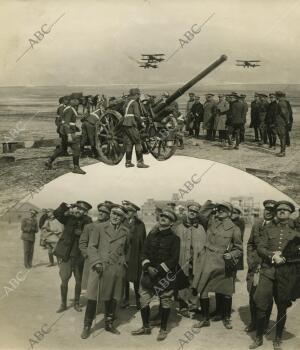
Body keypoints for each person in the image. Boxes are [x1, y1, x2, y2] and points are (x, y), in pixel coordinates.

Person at [250, 201, 299, 350]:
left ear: (291, 213)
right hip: (267, 271)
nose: (282, 211)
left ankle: (278, 339)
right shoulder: (268, 229)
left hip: (286, 274)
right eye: (279, 210)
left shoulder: (296, 233)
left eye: (286, 210)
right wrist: (272, 255)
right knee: (261, 304)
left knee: (282, 306)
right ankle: (258, 337)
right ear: (276, 212)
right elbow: (260, 247)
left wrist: (286, 257)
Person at [131, 209, 182, 341]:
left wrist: (158, 269)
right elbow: (143, 252)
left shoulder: (175, 239)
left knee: (165, 300)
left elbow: (174, 260)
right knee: (143, 298)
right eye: (162, 216)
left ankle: (163, 329)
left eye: (167, 217)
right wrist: (147, 266)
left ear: (171, 223)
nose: (163, 218)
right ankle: (146, 327)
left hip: (165, 276)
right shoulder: (151, 235)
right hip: (148, 274)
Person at [81, 205, 130, 338]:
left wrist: (124, 263)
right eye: (114, 213)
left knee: (112, 298)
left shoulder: (125, 231)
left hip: (116, 269)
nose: (115, 217)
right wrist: (96, 262)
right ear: (111, 214)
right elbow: (91, 247)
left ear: (123, 218)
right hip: (100, 268)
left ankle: (109, 324)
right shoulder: (99, 227)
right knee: (92, 297)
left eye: (119, 215)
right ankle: (87, 326)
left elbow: (126, 249)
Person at [192, 201, 242, 330]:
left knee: (225, 291)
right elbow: (201, 213)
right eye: (219, 209)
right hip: (207, 258)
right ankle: (205, 318)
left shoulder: (234, 229)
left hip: (222, 261)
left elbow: (239, 249)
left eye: (224, 209)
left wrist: (231, 255)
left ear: (230, 213)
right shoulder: (210, 222)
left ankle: (226, 318)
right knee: (203, 290)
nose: (220, 211)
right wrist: (211, 204)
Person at [53, 201, 92, 313]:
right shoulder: (69, 218)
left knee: (78, 281)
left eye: (82, 210)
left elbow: (90, 236)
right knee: (64, 280)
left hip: (79, 256)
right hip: (66, 256)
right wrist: (66, 205)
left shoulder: (88, 221)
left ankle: (77, 303)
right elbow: (56, 214)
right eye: (77, 208)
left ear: (85, 212)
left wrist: (82, 233)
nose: (79, 211)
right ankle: (63, 304)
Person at [245, 200, 277, 333]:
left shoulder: (277, 227)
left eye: (271, 210)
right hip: (254, 267)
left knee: (266, 297)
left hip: (268, 268)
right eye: (266, 210)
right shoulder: (257, 224)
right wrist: (250, 260)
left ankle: (263, 325)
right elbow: (250, 244)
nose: (268, 212)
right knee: (252, 295)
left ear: (275, 213)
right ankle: (253, 322)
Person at [173, 203, 206, 317]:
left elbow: (203, 245)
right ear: (187, 211)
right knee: (182, 282)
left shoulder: (200, 228)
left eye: (195, 212)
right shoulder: (179, 227)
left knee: (194, 282)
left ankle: (193, 305)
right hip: (182, 260)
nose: (192, 213)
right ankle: (183, 306)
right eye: (191, 210)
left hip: (196, 260)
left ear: (197, 214)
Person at [45, 99, 86, 174]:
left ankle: (49, 161)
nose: (78, 105)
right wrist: (69, 135)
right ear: (73, 103)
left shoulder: (67, 109)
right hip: (69, 132)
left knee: (62, 148)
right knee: (76, 149)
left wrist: (75, 127)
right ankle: (76, 168)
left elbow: (67, 122)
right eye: (77, 104)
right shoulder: (70, 110)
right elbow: (66, 123)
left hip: (65, 132)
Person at [79, 203, 111, 291]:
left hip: (107, 262)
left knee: (106, 289)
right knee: (92, 289)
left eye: (104, 212)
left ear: (109, 215)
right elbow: (82, 244)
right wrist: (88, 256)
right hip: (92, 263)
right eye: (99, 211)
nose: (100, 213)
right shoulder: (89, 227)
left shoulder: (112, 228)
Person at [121, 200, 146, 309]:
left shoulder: (140, 224)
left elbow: (143, 241)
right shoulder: (122, 222)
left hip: (135, 255)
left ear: (135, 212)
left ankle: (138, 300)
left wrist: (143, 257)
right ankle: (125, 299)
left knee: (136, 279)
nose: (128, 213)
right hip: (124, 254)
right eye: (127, 211)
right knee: (124, 279)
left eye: (130, 211)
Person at [122, 88, 149, 168]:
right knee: (138, 142)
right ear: (136, 95)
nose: (139, 96)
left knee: (129, 143)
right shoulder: (135, 103)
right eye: (138, 94)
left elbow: (126, 113)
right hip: (132, 124)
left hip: (125, 124)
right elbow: (137, 115)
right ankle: (140, 163)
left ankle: (128, 163)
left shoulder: (126, 103)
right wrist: (142, 122)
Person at [275, 91, 292, 157]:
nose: (276, 97)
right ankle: (282, 151)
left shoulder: (281, 103)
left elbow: (284, 113)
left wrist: (287, 121)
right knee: (282, 136)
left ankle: (282, 152)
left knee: (282, 136)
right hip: (281, 122)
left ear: (278, 96)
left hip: (281, 123)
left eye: (276, 95)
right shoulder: (283, 102)